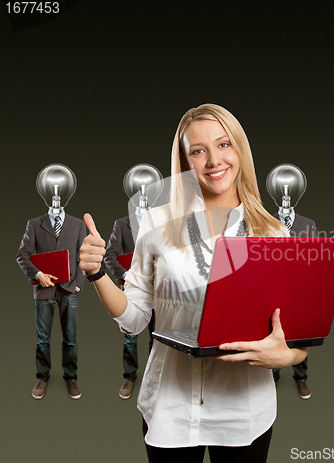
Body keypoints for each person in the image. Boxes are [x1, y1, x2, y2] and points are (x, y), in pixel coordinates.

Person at [79, 104, 309, 462]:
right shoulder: (155, 223)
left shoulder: (274, 233)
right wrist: (96, 273)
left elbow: (293, 334)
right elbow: (135, 317)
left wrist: (289, 356)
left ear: (240, 150)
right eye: (198, 150)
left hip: (244, 413)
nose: (213, 160)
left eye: (223, 144)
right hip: (170, 408)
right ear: (185, 162)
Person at [17, 206, 86, 400]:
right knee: (42, 339)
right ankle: (42, 377)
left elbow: (83, 257)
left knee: (70, 338)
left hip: (70, 289)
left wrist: (78, 284)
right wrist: (38, 275)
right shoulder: (33, 224)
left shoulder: (78, 224)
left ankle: (71, 377)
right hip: (43, 289)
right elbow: (22, 255)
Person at [104, 213, 156, 400]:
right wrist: (127, 277)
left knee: (157, 337)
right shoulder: (121, 224)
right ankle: (129, 376)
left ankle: (155, 378)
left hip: (157, 289)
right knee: (130, 338)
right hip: (131, 290)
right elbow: (110, 256)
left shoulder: (162, 220)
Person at [272, 211, 316, 399]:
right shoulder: (266, 220)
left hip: (301, 286)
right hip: (275, 284)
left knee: (300, 332)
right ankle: (272, 374)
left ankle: (301, 376)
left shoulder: (308, 224)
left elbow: (314, 256)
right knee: (273, 328)